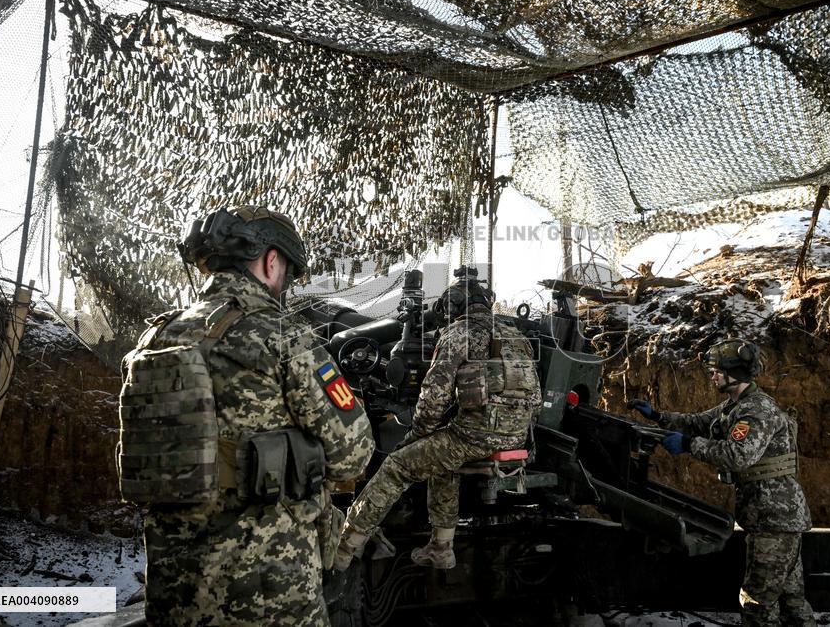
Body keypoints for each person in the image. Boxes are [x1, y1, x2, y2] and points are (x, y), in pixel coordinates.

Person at [132, 206, 374, 625]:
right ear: (270, 260)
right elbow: (353, 454)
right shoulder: (282, 335)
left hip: (174, 590)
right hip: (268, 592)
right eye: (288, 273)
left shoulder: (157, 337)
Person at [333, 267, 541, 570]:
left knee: (397, 466)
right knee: (442, 461)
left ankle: (343, 548)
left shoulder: (458, 333)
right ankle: (441, 548)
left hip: (474, 437)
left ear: (455, 304)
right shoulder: (515, 336)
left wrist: (415, 435)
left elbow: (434, 395)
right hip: (519, 437)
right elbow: (534, 398)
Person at [629, 338, 815, 627]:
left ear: (735, 374)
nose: (712, 375)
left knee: (756, 603)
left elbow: (738, 455)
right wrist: (658, 416)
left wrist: (690, 445)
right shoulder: (735, 406)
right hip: (776, 518)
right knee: (791, 600)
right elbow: (697, 423)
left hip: (774, 519)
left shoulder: (756, 411)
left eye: (716, 370)